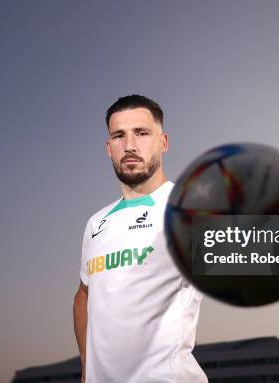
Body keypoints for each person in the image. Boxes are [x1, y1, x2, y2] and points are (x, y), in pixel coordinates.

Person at [73, 95, 208, 382]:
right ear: (109, 148)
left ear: (164, 142)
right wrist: (87, 364)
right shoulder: (97, 223)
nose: (130, 145)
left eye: (142, 133)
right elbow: (84, 294)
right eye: (119, 136)